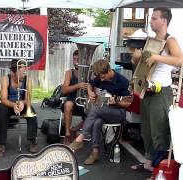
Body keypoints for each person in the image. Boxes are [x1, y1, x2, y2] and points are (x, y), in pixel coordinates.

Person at [130, 7, 183, 173]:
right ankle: (149, 165)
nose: (151, 21)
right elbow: (140, 65)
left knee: (159, 132)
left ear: (164, 21)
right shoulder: (151, 40)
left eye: (154, 18)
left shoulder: (170, 40)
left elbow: (180, 60)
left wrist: (157, 57)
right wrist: (136, 58)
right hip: (148, 90)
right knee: (146, 130)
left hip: (161, 92)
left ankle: (159, 170)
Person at [68, 59, 131, 165]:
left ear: (109, 70)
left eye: (103, 77)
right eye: (100, 77)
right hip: (103, 111)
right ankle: (95, 153)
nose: (101, 80)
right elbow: (90, 84)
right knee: (96, 121)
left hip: (118, 113)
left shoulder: (123, 81)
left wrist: (116, 102)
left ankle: (80, 139)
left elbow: (127, 104)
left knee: (96, 109)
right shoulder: (99, 78)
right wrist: (90, 92)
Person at [0, 59, 38, 157]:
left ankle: (32, 141)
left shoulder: (28, 80)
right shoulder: (6, 79)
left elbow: (28, 99)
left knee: (31, 111)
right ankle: (1, 143)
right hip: (9, 105)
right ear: (15, 71)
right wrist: (14, 105)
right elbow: (4, 99)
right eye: (23, 70)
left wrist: (22, 102)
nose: (25, 72)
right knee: (1, 109)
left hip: (22, 105)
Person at [61, 50, 88, 145]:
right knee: (68, 105)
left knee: (94, 110)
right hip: (72, 100)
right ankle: (67, 134)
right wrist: (78, 86)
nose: (76, 61)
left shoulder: (88, 73)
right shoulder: (69, 73)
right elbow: (64, 90)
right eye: (74, 59)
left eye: (78, 59)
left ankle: (75, 129)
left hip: (84, 102)